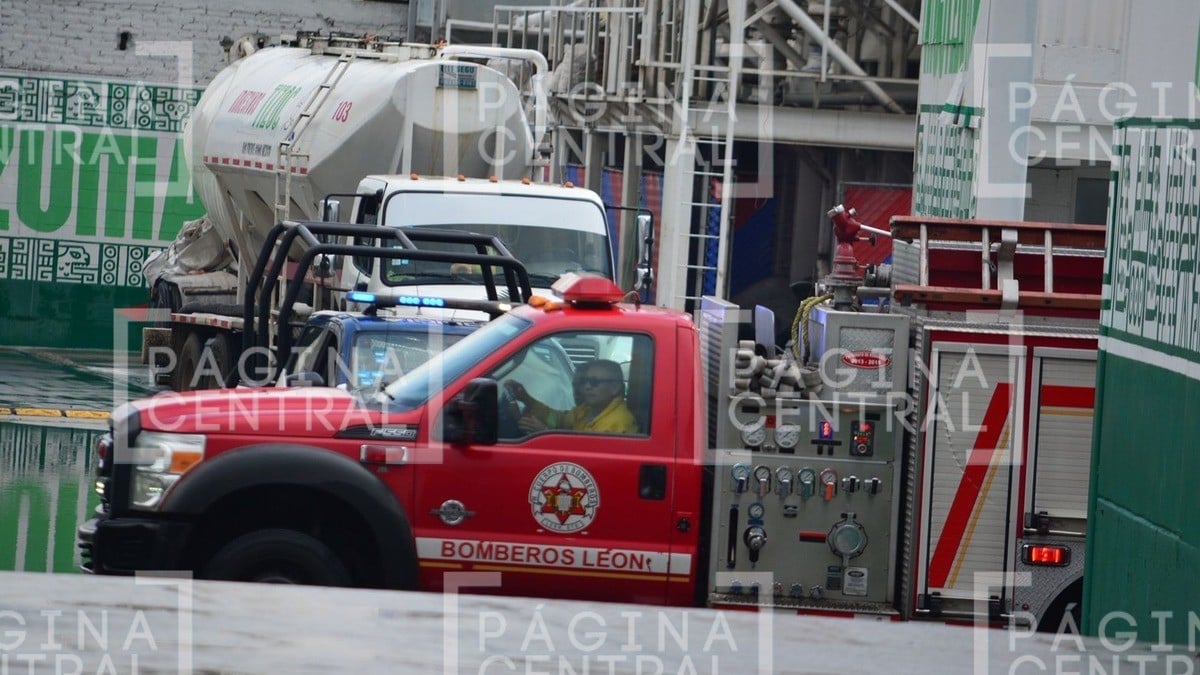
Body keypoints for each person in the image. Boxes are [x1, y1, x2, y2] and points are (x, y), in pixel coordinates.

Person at [505, 359, 638, 435]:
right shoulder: (587, 410)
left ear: (615, 387)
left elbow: (583, 458)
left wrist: (544, 432)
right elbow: (559, 420)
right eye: (584, 381)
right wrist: (527, 399)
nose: (587, 386)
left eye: (594, 382)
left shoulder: (618, 423)